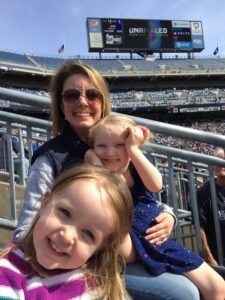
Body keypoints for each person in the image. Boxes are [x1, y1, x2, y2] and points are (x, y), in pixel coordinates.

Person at [13, 61, 201, 299]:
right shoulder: (50, 159)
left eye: (92, 94)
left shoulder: (121, 144)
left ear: (103, 103)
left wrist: (168, 214)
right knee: (185, 293)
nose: (82, 102)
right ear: (61, 105)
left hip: (135, 246)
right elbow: (23, 232)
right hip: (88, 261)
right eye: (72, 95)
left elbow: (140, 197)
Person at [86, 115, 225, 300]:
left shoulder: (136, 166)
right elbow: (109, 188)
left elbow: (156, 185)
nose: (110, 152)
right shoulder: (98, 175)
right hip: (128, 242)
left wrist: (133, 149)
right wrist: (94, 162)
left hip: (157, 242)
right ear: (92, 148)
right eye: (101, 146)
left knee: (218, 287)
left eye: (119, 145)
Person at [1, 164, 133, 299]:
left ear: (101, 247)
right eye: (65, 213)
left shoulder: (99, 283)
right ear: (45, 203)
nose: (67, 237)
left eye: (88, 234)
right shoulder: (7, 273)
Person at [195, 147, 225, 266]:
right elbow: (200, 228)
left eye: (223, 160)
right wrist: (209, 258)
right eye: (217, 161)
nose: (220, 164)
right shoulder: (203, 193)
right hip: (218, 259)